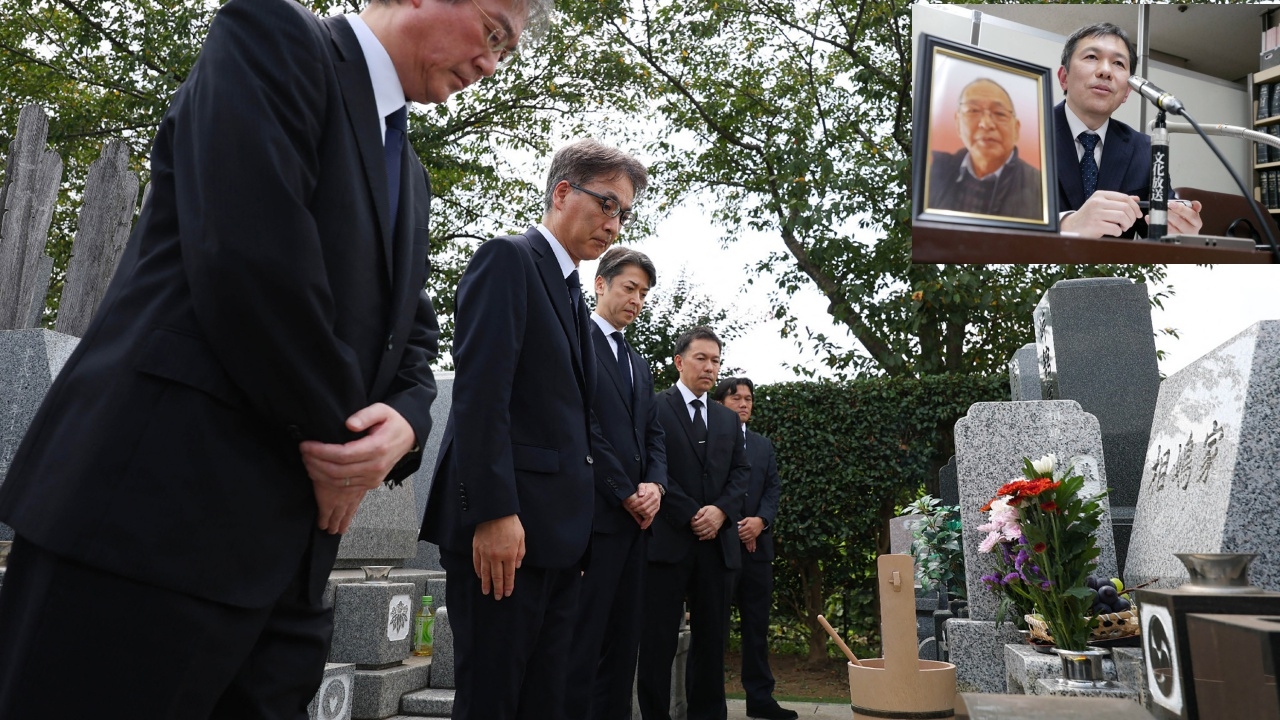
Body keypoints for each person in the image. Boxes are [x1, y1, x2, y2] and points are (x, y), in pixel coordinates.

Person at [0, 0, 544, 715]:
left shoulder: (407, 173)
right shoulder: (274, 38)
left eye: (506, 51)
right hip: (149, 529)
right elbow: (251, 259)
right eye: (494, 32)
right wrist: (341, 450)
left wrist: (407, 426)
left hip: (288, 571)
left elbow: (412, 339)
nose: (491, 65)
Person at [420, 139, 648, 720]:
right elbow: (481, 395)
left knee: (545, 700)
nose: (613, 223)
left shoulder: (571, 290)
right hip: (505, 533)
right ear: (562, 191)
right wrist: (493, 512)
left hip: (558, 538)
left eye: (623, 213)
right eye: (606, 204)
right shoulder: (509, 259)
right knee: (495, 699)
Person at [564, 246, 668, 720]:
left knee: (626, 643)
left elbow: (654, 434)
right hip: (593, 519)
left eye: (644, 294)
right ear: (600, 283)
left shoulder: (638, 361)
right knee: (583, 643)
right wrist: (624, 490)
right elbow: (585, 425)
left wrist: (656, 487)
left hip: (637, 527)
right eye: (630, 288)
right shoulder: (574, 338)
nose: (637, 300)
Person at [638, 326, 750, 720]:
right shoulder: (653, 407)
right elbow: (654, 468)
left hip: (716, 547)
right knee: (657, 641)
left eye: (716, 360)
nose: (710, 367)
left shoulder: (726, 418)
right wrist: (690, 514)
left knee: (712, 642)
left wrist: (719, 511)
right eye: (701, 358)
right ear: (679, 361)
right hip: (667, 542)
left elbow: (741, 473)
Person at [1054, 22, 1203, 238]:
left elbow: (1156, 232)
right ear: (1064, 78)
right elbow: (996, 215)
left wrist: (1179, 232)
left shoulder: (1144, 149)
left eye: (1118, 63)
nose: (1105, 71)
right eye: (1092, 57)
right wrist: (1067, 224)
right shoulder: (1023, 131)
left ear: (1126, 93)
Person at [713, 377, 797, 720]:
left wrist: (759, 522)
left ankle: (760, 699)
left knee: (757, 627)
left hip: (758, 551)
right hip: (719, 547)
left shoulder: (763, 445)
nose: (744, 403)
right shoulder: (711, 440)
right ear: (720, 404)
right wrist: (736, 526)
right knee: (713, 628)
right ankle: (707, 700)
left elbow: (773, 489)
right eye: (736, 398)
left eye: (748, 398)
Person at [928, 77, 1044, 220]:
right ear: (958, 123)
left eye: (999, 113)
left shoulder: (1041, 187)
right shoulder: (932, 168)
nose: (986, 123)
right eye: (973, 110)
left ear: (1016, 128)